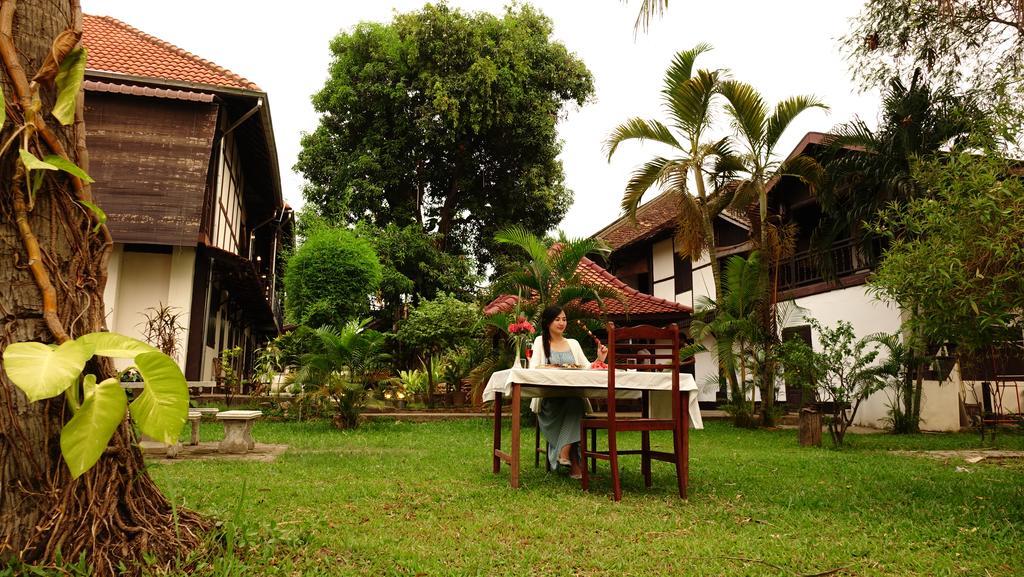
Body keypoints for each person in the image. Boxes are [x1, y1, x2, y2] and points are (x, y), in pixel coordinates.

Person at [528, 305, 607, 478]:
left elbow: (587, 368)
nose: (561, 323)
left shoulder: (573, 344)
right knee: (575, 405)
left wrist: (600, 359)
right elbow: (533, 368)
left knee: (575, 402)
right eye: (557, 319)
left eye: (564, 319)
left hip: (573, 397)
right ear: (548, 322)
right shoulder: (540, 342)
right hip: (550, 402)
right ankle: (572, 459)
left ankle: (565, 453)